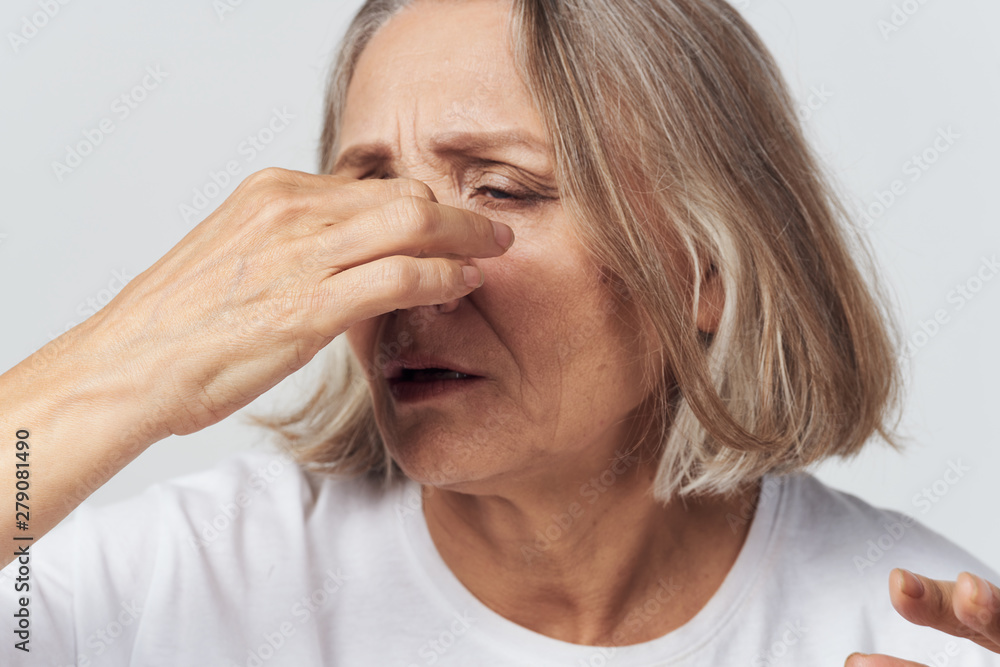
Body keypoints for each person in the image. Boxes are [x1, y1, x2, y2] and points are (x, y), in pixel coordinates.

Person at [0, 0, 997, 664]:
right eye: (366, 193)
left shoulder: (918, 623)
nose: (399, 267)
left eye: (500, 188)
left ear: (707, 267)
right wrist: (128, 360)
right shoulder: (165, 582)